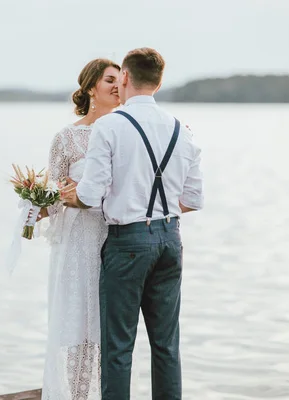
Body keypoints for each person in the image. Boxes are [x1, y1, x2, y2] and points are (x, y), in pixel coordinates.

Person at [61, 47, 204, 400]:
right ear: (158, 82)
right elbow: (194, 200)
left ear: (125, 77)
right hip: (170, 240)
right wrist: (156, 212)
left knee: (118, 348)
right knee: (167, 346)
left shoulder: (109, 126)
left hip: (127, 245)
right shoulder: (181, 129)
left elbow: (90, 195)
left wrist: (70, 196)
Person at [36, 58, 121, 400]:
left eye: (120, 80)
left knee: (106, 327)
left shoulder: (124, 132)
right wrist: (40, 201)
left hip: (113, 236)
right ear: (90, 89)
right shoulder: (67, 138)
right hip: (75, 241)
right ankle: (75, 395)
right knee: (75, 325)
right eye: (109, 80)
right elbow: (54, 194)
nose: (118, 86)